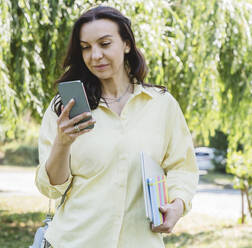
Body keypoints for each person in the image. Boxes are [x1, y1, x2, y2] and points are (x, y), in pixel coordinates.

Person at [35, 5, 198, 248]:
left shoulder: (162, 105)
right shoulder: (65, 108)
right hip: (74, 241)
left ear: (127, 44)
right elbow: (52, 189)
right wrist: (62, 142)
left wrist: (178, 204)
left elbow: (182, 167)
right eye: (85, 48)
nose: (95, 55)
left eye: (104, 43)